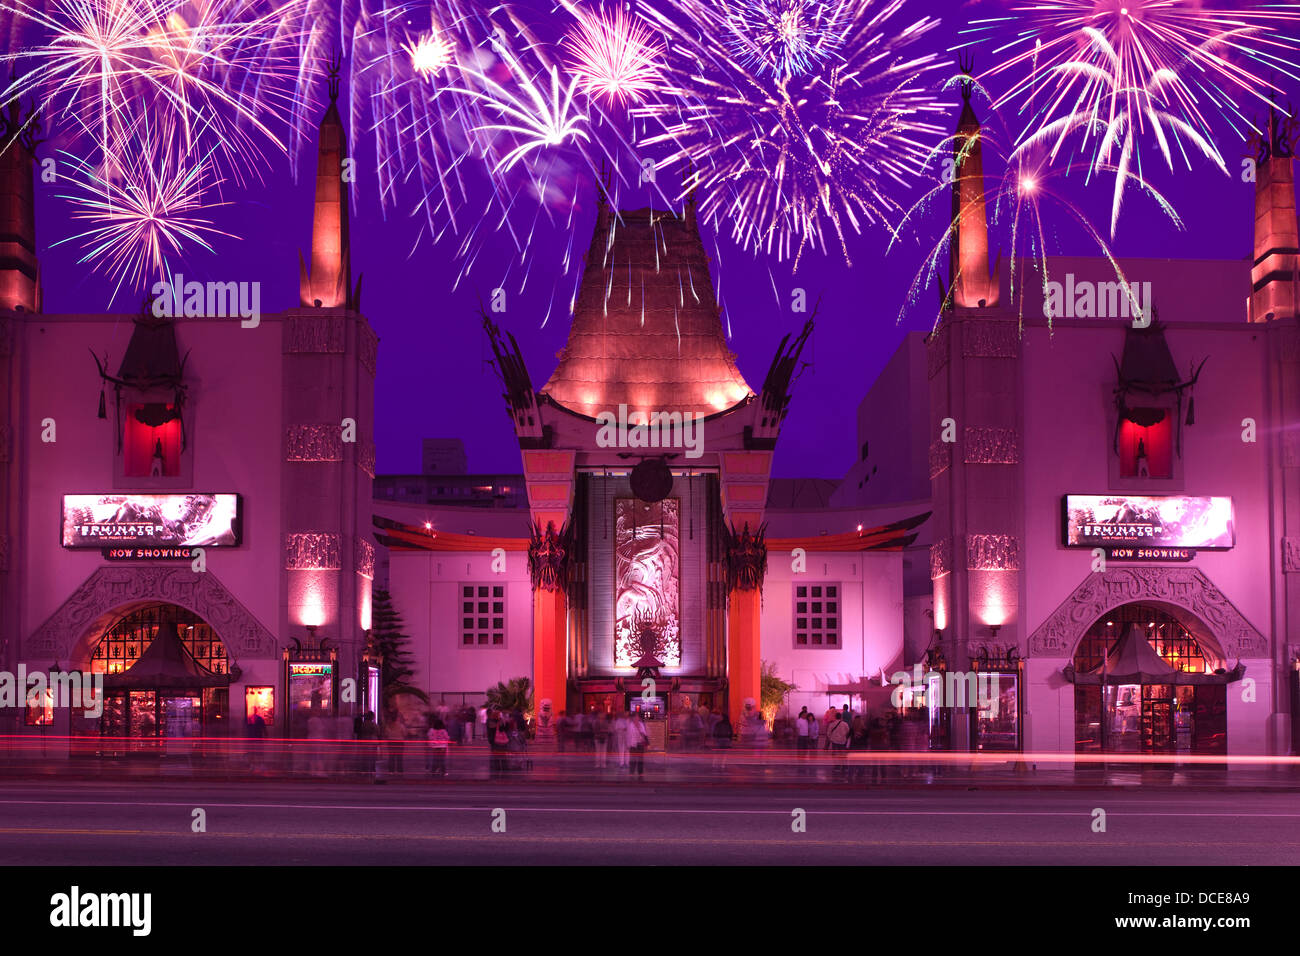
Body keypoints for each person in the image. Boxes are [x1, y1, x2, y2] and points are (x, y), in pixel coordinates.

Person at [357, 710, 380, 783]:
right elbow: (378, 732)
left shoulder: (364, 724)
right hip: (373, 742)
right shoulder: (374, 725)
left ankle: (364, 770)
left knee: (364, 756)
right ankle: (372, 770)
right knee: (373, 757)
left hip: (365, 741)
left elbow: (360, 732)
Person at [827, 710, 852, 776]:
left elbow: (828, 733)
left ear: (835, 717)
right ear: (841, 717)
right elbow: (848, 732)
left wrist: (831, 739)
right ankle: (844, 767)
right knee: (843, 755)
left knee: (836, 755)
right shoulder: (845, 724)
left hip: (835, 742)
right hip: (843, 742)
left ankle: (837, 767)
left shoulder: (832, 724)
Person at [627, 710, 649, 778]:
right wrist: (628, 745)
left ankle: (640, 773)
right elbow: (629, 735)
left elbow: (645, 733)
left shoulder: (641, 724)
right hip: (633, 745)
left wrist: (642, 734)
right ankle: (631, 773)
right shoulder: (630, 725)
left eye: (637, 716)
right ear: (633, 717)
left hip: (640, 744)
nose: (637, 718)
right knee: (633, 760)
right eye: (635, 717)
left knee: (640, 760)